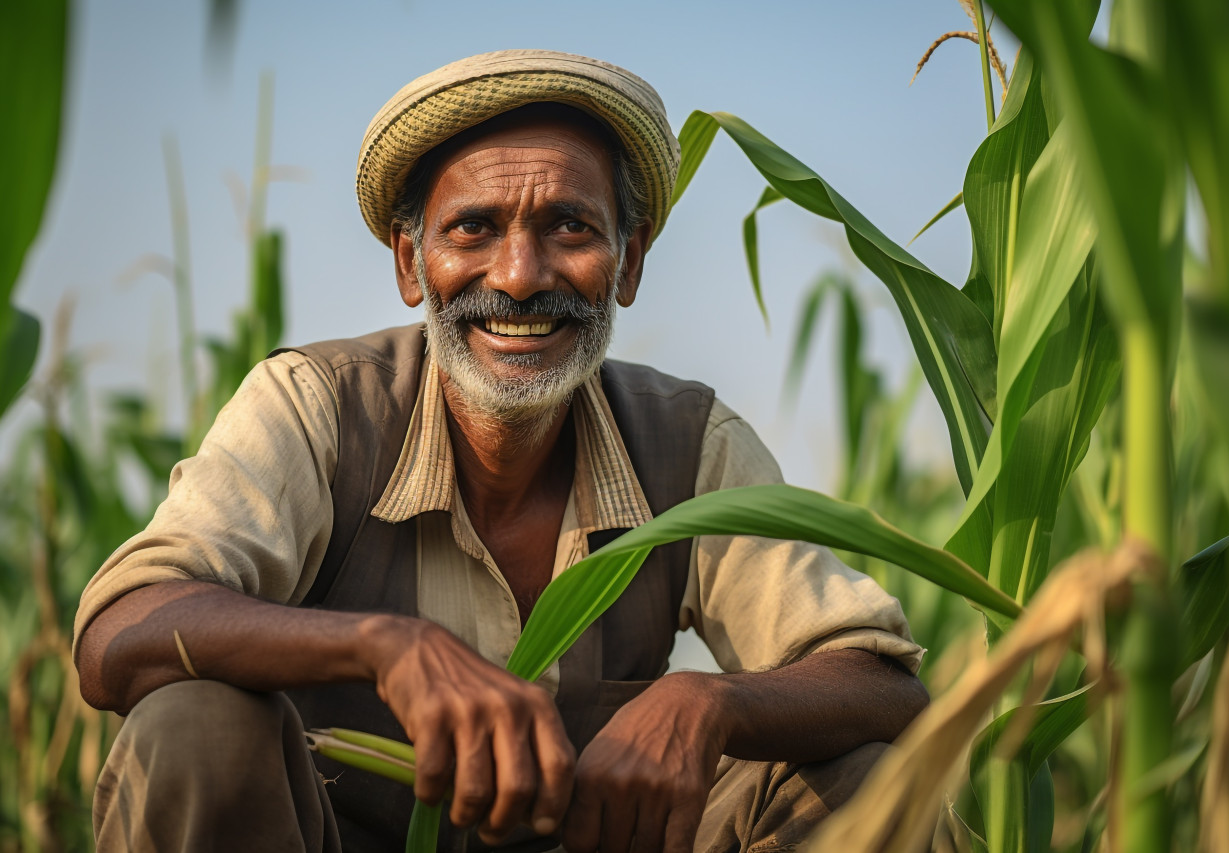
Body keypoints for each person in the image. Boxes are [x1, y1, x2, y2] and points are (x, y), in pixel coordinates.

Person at [73, 50, 928, 853]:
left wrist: (707, 699)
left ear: (627, 264)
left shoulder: (688, 445)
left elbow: (885, 686)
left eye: (569, 227)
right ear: (413, 265)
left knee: (866, 781)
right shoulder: (317, 410)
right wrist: (381, 644)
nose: (520, 275)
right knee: (194, 725)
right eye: (474, 229)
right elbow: (122, 631)